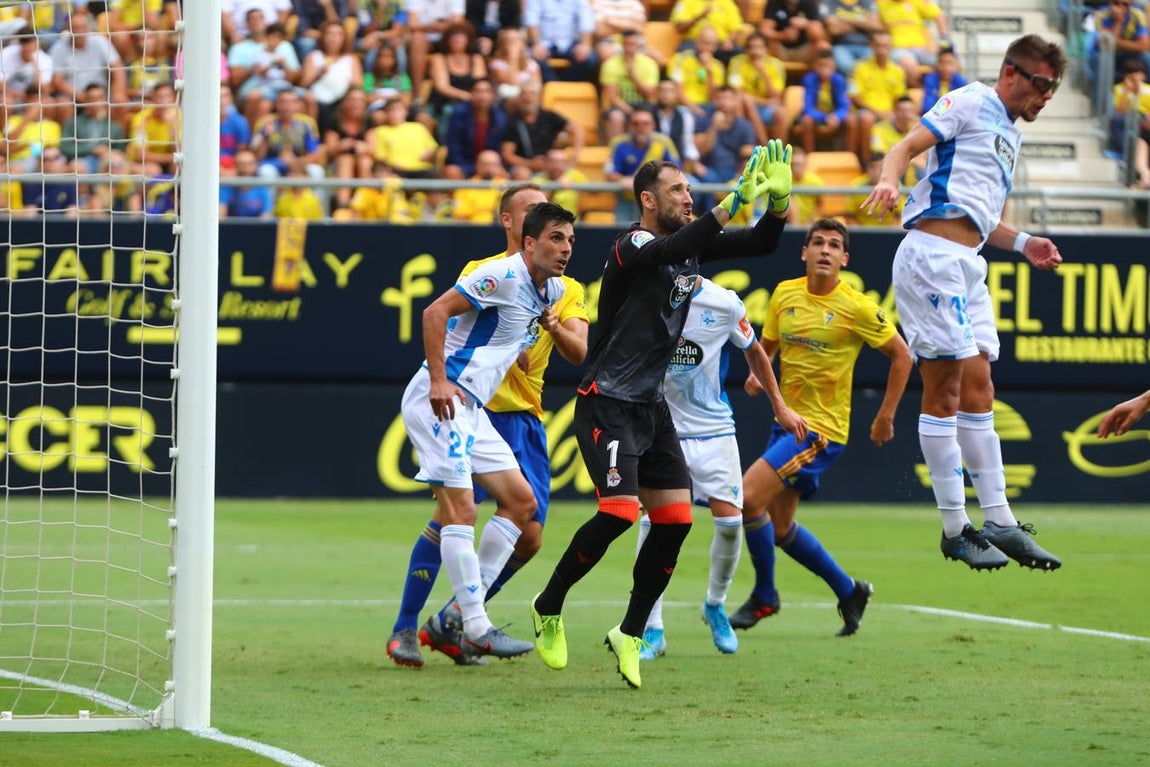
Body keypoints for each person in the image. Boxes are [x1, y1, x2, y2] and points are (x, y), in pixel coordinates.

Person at [529, 140, 794, 689]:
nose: (688, 197)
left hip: (651, 407)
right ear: (648, 199)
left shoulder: (688, 250)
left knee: (675, 519)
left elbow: (762, 243)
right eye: (678, 190)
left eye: (690, 189)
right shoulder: (634, 243)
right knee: (622, 512)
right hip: (607, 398)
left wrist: (779, 202)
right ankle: (549, 604)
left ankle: (632, 631)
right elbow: (679, 246)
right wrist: (731, 201)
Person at [862, 34, 1066, 572]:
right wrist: (888, 180)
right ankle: (955, 527)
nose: (1046, 97)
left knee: (981, 389)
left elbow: (976, 215)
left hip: (969, 261)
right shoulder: (972, 100)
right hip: (931, 256)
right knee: (946, 390)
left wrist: (1025, 244)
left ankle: (999, 520)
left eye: (1053, 89)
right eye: (1041, 84)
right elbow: (905, 147)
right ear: (1011, 74)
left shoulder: (1010, 138)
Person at [389, 187, 590, 667]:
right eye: (555, 238)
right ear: (525, 240)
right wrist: (439, 379)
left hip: (476, 407)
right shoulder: (497, 274)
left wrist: (538, 330)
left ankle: (461, 617)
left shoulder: (557, 292)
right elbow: (434, 312)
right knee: (458, 513)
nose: (565, 248)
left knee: (521, 505)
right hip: (444, 397)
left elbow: (569, 346)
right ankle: (474, 626)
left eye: (570, 240)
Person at [727, 218, 911, 636]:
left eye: (834, 245)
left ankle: (765, 595)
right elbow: (767, 346)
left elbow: (902, 356)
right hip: (786, 424)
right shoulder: (784, 294)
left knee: (748, 498)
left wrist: (885, 415)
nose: (825, 250)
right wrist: (761, 373)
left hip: (820, 431)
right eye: (818, 243)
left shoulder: (858, 307)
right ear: (804, 252)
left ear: (844, 259)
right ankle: (849, 590)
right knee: (778, 527)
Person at [635, 277, 805, 660]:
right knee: (654, 524)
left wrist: (778, 406)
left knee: (730, 523)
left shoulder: (723, 303)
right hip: (663, 431)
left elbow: (756, 351)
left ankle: (715, 605)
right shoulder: (646, 293)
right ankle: (652, 627)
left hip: (714, 431)